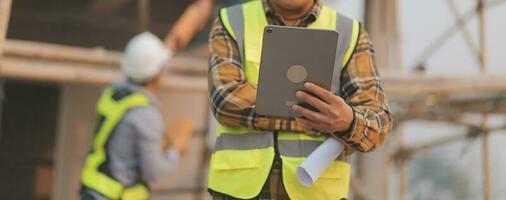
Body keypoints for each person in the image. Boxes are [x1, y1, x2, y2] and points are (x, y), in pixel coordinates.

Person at [207, 0, 392, 199]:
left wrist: (347, 120)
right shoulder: (232, 20)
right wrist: (326, 121)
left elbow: (377, 125)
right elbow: (225, 101)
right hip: (238, 190)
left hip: (317, 191)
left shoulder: (350, 32)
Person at [80, 32, 192, 200]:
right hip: (113, 195)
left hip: (92, 190)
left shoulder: (112, 93)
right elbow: (154, 171)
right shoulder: (146, 113)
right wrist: (175, 149)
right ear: (157, 73)